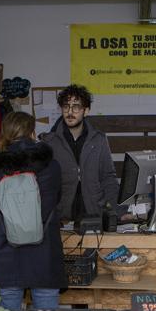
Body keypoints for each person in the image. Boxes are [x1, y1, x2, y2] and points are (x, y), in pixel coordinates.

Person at [0, 111, 65, 311]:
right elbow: (58, 202)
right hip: (45, 258)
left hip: (6, 260)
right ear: (32, 133)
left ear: (5, 134)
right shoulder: (52, 168)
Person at [41, 84, 120, 221]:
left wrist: (117, 211)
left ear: (86, 111)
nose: (70, 112)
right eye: (66, 106)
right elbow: (44, 184)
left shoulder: (99, 140)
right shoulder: (50, 142)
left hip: (95, 215)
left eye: (76, 107)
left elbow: (108, 178)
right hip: (62, 219)